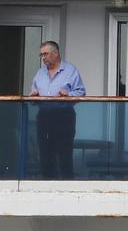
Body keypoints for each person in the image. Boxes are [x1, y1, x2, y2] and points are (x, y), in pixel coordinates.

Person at [29, 41, 86, 179]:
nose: (43, 58)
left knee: (64, 153)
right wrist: (34, 97)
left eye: (46, 54)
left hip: (63, 116)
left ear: (56, 53)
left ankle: (66, 187)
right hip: (44, 116)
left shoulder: (70, 70)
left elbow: (81, 92)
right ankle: (47, 185)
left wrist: (68, 95)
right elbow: (33, 93)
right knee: (45, 153)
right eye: (41, 55)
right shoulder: (40, 73)